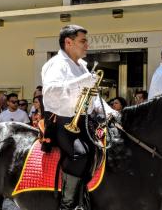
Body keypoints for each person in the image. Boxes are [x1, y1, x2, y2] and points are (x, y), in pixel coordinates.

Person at [42, 25, 118, 210]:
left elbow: (92, 97)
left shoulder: (83, 66)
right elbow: (50, 92)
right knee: (79, 155)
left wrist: (111, 113)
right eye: (83, 41)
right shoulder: (56, 64)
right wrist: (81, 82)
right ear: (68, 42)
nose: (87, 45)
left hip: (84, 121)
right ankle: (67, 204)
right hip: (61, 121)